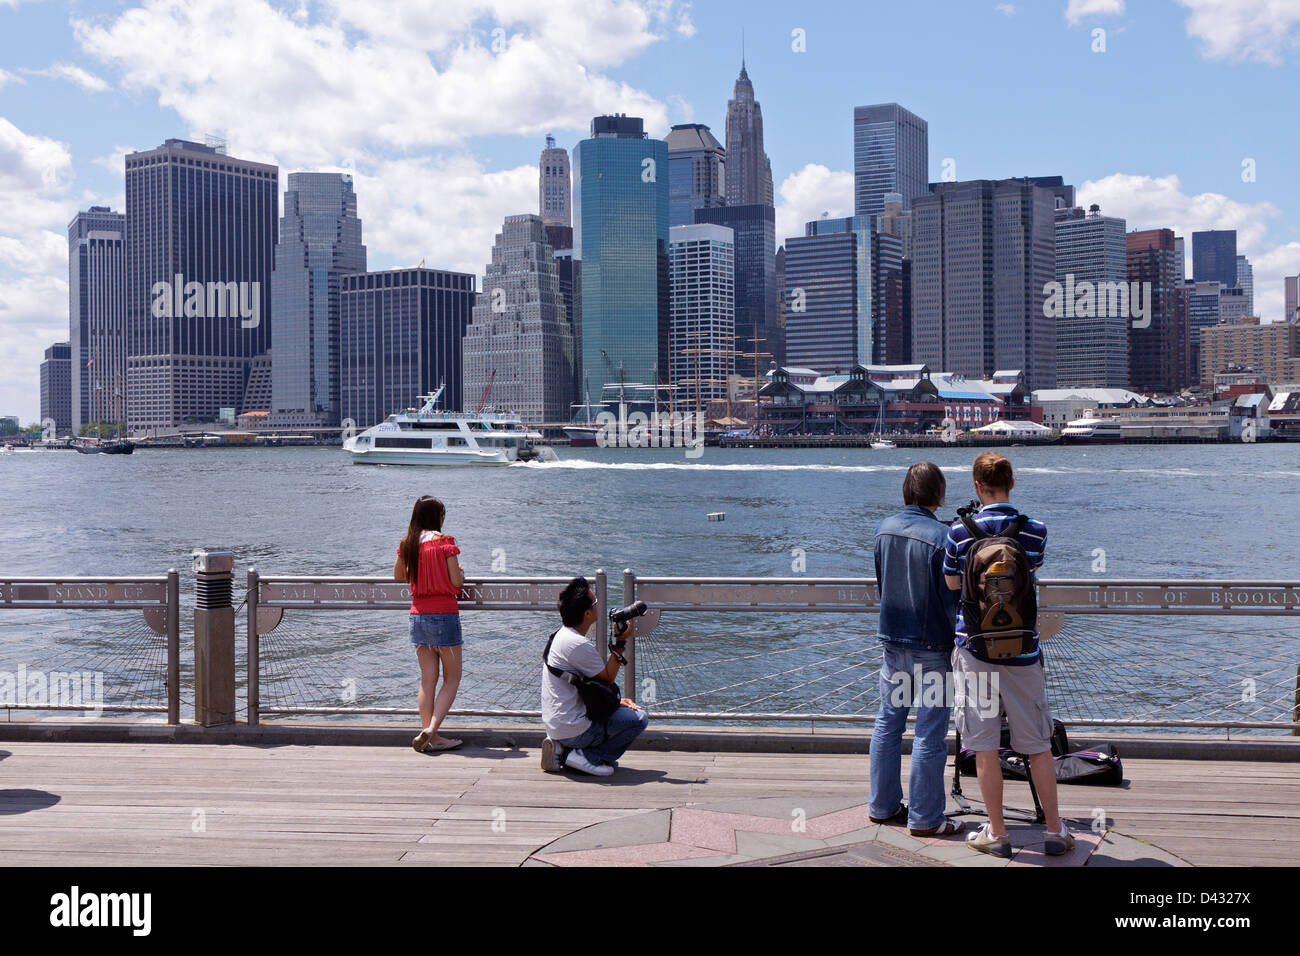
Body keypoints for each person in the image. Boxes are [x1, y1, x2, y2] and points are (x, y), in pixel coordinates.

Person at [942, 452, 1074, 857]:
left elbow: (951, 584)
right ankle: (1054, 831)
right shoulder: (1034, 530)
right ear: (1011, 484)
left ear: (978, 486)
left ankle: (997, 833)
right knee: (1037, 745)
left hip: (975, 650)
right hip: (1023, 651)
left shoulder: (959, 532)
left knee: (983, 744)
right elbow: (1030, 574)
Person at [868, 462, 965, 837]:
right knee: (929, 732)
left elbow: (882, 583)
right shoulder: (944, 537)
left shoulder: (883, 530)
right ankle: (925, 818)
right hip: (933, 646)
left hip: (892, 642)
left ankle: (882, 806)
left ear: (906, 490)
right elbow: (949, 597)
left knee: (887, 723)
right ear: (938, 494)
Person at [540, 576, 648, 776]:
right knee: (639, 718)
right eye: (596, 602)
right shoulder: (577, 644)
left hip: (556, 724)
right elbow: (607, 678)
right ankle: (587, 756)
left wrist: (615, 702)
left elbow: (587, 685)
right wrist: (621, 642)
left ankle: (563, 748)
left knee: (620, 711)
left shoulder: (560, 636)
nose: (599, 604)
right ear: (588, 613)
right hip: (575, 728)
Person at [394, 495, 464, 754]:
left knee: (427, 681)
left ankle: (429, 736)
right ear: (438, 517)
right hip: (445, 615)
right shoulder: (445, 543)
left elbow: (399, 575)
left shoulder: (408, 544)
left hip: (418, 615)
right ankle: (431, 730)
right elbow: (456, 583)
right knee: (452, 679)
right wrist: (462, 574)